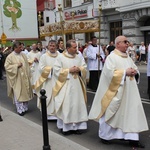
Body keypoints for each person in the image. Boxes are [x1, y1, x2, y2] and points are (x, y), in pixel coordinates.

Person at [88, 35, 148, 148]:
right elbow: (108, 74)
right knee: (113, 113)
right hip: (116, 91)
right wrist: (125, 72)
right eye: (125, 42)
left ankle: (133, 138)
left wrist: (135, 72)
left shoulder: (127, 56)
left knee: (131, 113)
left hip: (130, 92)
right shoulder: (112, 57)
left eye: (127, 42)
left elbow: (134, 68)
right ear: (117, 44)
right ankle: (106, 136)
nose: (127, 44)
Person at [52, 39, 88, 135]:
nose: (77, 49)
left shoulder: (78, 57)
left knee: (77, 105)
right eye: (74, 47)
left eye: (76, 46)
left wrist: (79, 69)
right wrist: (68, 70)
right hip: (66, 85)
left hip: (77, 85)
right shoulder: (60, 57)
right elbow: (56, 70)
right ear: (68, 48)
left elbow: (84, 67)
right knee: (67, 105)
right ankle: (66, 127)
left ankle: (77, 126)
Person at [4, 41, 33, 116]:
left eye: (21, 47)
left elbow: (26, 65)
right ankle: (20, 109)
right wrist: (16, 66)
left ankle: (25, 107)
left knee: (26, 93)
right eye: (19, 47)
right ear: (15, 48)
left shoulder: (23, 55)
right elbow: (7, 67)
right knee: (18, 93)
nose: (21, 48)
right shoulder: (10, 56)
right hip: (17, 78)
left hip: (25, 77)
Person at [35, 40, 59, 120]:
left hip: (58, 80)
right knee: (48, 96)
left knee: (58, 96)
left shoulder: (60, 55)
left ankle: (57, 113)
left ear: (56, 46)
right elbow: (41, 68)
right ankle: (48, 114)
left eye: (54, 46)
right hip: (48, 80)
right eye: (50, 46)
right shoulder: (44, 56)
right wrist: (51, 70)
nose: (52, 47)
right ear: (48, 47)